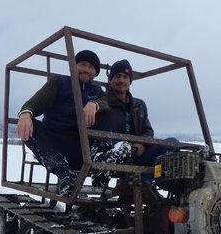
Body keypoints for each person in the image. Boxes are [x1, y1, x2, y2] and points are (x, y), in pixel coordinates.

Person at [16, 50, 103, 195]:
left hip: (81, 147)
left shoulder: (97, 91)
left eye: (91, 67)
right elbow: (38, 101)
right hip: (54, 144)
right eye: (82, 64)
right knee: (32, 125)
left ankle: (100, 168)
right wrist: (25, 113)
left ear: (95, 72)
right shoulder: (59, 83)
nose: (86, 69)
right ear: (74, 66)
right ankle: (64, 173)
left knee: (108, 120)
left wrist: (94, 104)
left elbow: (107, 103)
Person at [91, 59, 177, 187]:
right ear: (111, 79)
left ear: (130, 80)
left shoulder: (139, 105)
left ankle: (142, 182)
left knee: (172, 143)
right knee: (123, 148)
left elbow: (147, 131)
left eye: (125, 77)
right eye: (117, 76)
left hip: (135, 156)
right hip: (111, 155)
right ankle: (132, 183)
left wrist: (141, 144)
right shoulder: (101, 102)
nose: (121, 80)